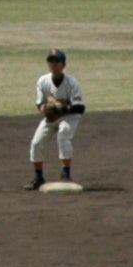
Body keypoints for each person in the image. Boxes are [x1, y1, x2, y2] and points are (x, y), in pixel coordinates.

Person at [29, 50, 84, 190]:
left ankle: (66, 173)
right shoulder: (43, 81)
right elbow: (39, 103)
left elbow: (79, 107)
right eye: (51, 61)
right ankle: (38, 177)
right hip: (51, 118)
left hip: (70, 117)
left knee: (63, 134)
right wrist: (44, 109)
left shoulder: (72, 82)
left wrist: (60, 109)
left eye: (57, 61)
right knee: (36, 142)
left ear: (63, 65)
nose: (53, 64)